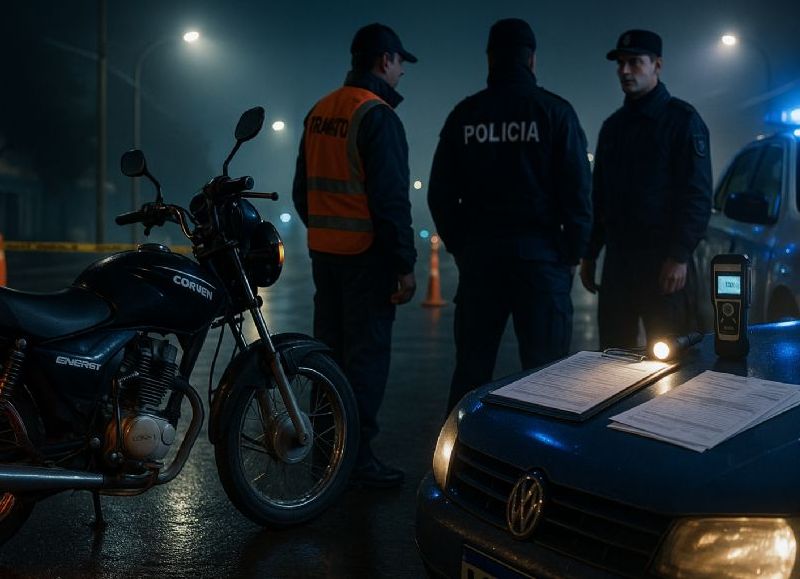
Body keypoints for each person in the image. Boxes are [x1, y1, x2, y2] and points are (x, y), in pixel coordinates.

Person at [428, 18, 592, 412]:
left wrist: (463, 248)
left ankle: (460, 447)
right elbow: (579, 194)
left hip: (482, 259)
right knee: (548, 376)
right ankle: (542, 448)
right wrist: (569, 254)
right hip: (542, 260)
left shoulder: (466, 115)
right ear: (531, 60)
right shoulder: (555, 112)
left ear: (490, 59)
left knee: (472, 372)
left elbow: (440, 195)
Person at [292, 23, 417, 488]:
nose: (402, 72)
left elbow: (301, 191)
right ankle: (356, 459)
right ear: (385, 60)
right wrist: (403, 264)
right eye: (400, 62)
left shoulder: (320, 111)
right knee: (365, 362)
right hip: (367, 259)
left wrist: (326, 230)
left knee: (328, 358)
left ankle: (325, 455)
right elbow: (390, 201)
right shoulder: (377, 115)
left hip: (326, 257)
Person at [579, 30, 712, 350]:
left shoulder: (682, 121)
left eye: (635, 62)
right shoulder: (614, 127)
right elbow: (600, 197)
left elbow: (697, 195)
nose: (625, 71)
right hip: (619, 264)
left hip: (664, 263)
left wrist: (679, 256)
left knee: (672, 360)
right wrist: (590, 253)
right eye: (621, 63)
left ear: (657, 65)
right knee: (613, 358)